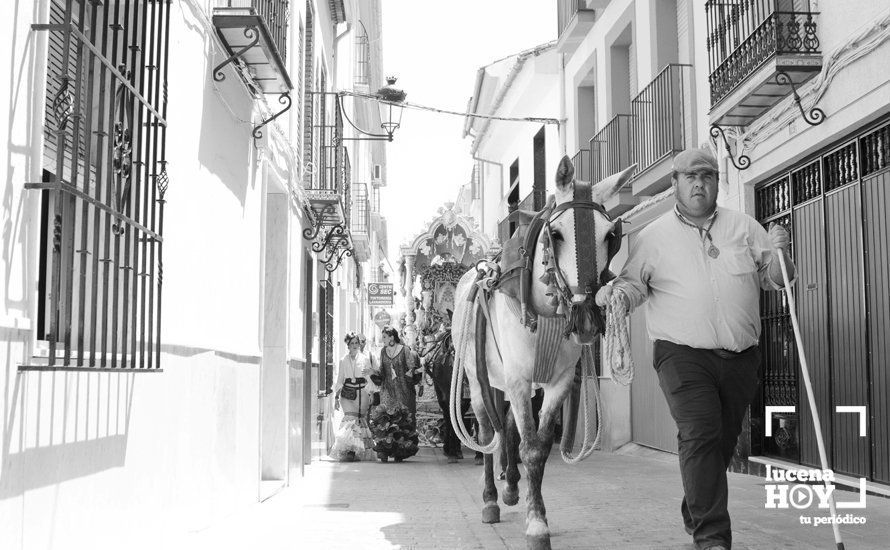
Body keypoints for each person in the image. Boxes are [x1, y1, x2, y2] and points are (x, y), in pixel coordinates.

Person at [596, 148, 795, 550]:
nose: (699, 183)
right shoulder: (653, 237)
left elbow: (777, 280)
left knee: (720, 441)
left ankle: (697, 506)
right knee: (700, 434)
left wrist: (781, 253)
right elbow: (635, 286)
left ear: (717, 182)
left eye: (707, 176)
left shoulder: (745, 227)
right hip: (681, 354)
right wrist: (616, 296)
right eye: (690, 177)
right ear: (675, 184)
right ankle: (712, 537)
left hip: (742, 357)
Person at [369, 326, 422, 462]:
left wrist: (412, 373)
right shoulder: (382, 351)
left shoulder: (405, 350)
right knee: (386, 420)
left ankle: (400, 451)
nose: (383, 340)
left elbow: (412, 368)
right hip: (387, 389)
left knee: (401, 420)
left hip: (403, 389)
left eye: (385, 337)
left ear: (392, 337)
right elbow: (382, 371)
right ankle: (385, 451)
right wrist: (373, 373)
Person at [329, 332, 375, 462]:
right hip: (347, 394)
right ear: (348, 345)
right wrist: (336, 397)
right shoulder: (343, 360)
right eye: (352, 343)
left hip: (362, 393)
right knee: (349, 419)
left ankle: (357, 449)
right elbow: (339, 380)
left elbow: (368, 378)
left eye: (356, 343)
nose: (355, 345)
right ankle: (349, 450)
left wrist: (371, 393)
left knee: (359, 420)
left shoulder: (365, 359)